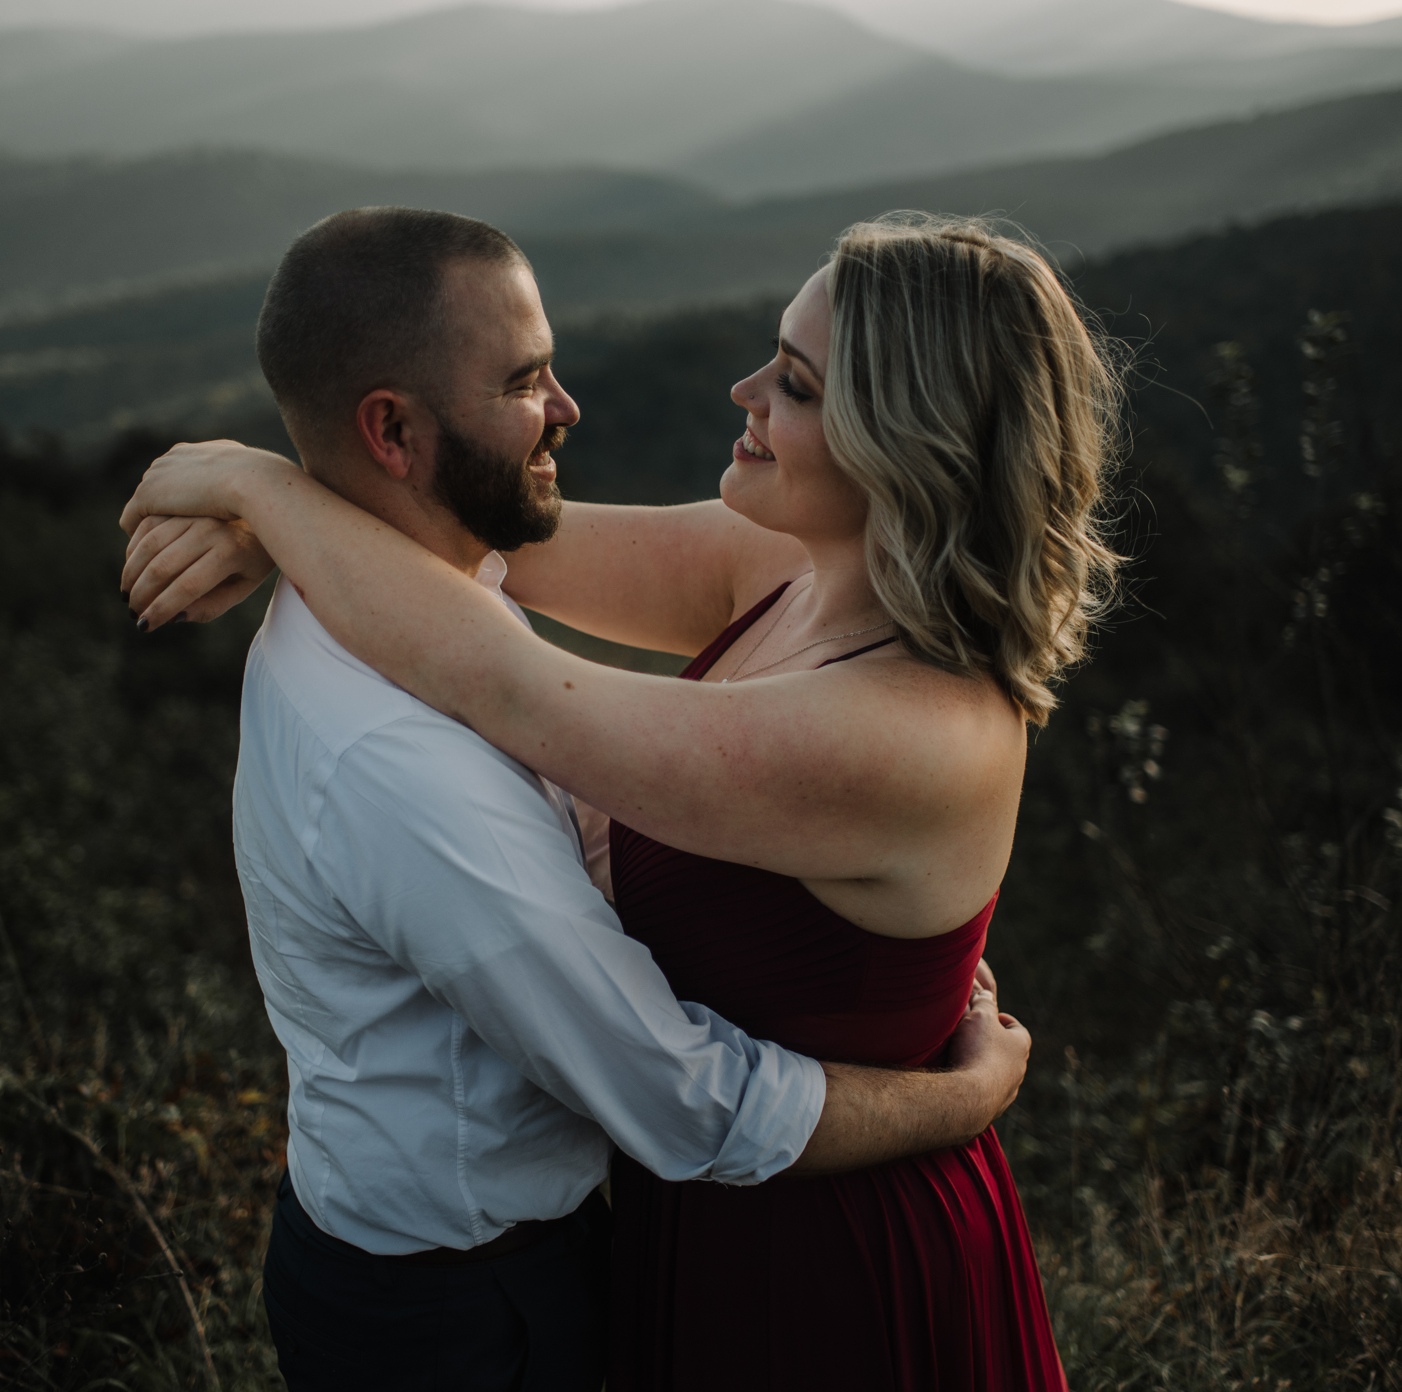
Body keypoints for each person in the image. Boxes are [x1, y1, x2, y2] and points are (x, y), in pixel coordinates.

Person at [122, 207, 1037, 1392]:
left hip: (833, 1251)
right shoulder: (787, 571)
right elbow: (476, 532)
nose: (743, 387)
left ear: (908, 446)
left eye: (797, 384)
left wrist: (267, 490)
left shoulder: (912, 729)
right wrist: (293, 505)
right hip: (679, 1221)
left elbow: (496, 656)